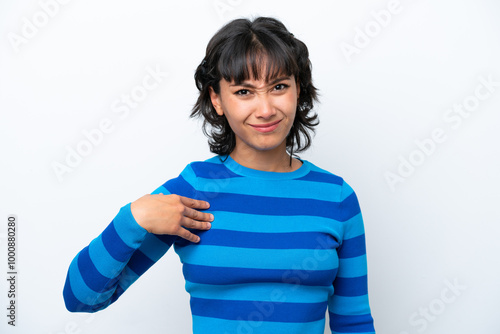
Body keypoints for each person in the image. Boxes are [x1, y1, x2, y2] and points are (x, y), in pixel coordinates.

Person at [63, 16, 376, 334]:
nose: (265, 108)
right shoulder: (194, 191)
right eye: (244, 92)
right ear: (217, 99)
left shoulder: (336, 197)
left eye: (279, 87)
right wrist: (131, 218)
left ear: (299, 90)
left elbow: (353, 322)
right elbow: (81, 299)